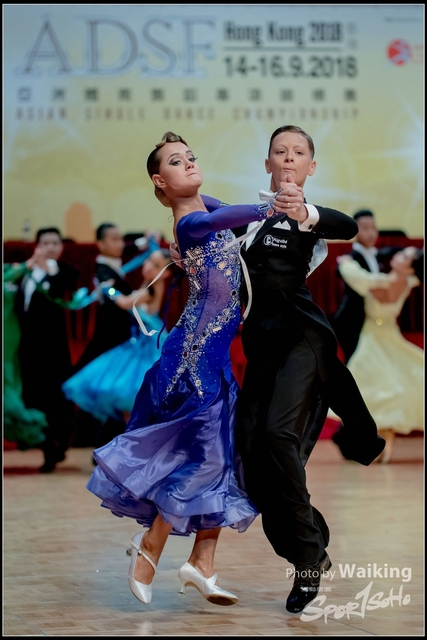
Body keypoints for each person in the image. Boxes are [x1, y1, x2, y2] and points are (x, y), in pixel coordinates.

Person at [86, 131, 291, 607]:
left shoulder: (205, 207)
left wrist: (272, 202)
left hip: (213, 358)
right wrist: (270, 207)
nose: (190, 163)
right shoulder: (192, 222)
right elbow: (221, 219)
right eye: (176, 162)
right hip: (193, 357)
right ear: (160, 181)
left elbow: (224, 211)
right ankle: (150, 546)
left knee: (222, 455)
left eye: (191, 156)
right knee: (204, 455)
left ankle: (202, 563)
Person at [187, 125, 385, 614]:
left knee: (279, 437)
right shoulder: (246, 223)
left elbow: (346, 226)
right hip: (262, 351)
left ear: (310, 167)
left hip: (303, 340)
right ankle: (310, 540)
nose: (289, 158)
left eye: (299, 153)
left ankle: (308, 558)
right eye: (281, 151)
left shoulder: (310, 221)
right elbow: (203, 219)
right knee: (252, 462)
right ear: (268, 163)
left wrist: (305, 212)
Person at [331, 246, 424, 463]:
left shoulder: (381, 281)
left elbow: (358, 278)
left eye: (404, 256)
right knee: (387, 385)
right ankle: (383, 436)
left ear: (410, 268)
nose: (397, 255)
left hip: (373, 338)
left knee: (373, 387)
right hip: (390, 337)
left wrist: (346, 263)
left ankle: (382, 437)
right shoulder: (410, 282)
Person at [62, 248, 171, 426]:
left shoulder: (150, 290)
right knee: (130, 402)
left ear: (165, 273)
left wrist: (109, 290)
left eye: (157, 265)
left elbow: (125, 303)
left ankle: (134, 439)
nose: (149, 266)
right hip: (138, 344)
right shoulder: (149, 286)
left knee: (132, 397)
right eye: (150, 260)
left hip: (145, 350)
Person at [14, 227, 80, 472]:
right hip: (27, 349)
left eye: (55, 243)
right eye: (45, 243)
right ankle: (46, 445)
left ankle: (56, 445)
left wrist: (48, 270)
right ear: (37, 246)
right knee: (34, 397)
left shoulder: (66, 272)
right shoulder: (24, 273)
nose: (50, 247)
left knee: (55, 399)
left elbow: (60, 289)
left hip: (54, 351)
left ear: (61, 247)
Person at [73, 223, 138, 449]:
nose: (120, 244)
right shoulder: (102, 271)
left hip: (120, 339)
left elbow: (131, 248)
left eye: (121, 239)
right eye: (114, 239)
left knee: (113, 392)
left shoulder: (113, 266)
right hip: (109, 339)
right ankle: (99, 442)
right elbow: (117, 298)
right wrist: (134, 295)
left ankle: (108, 443)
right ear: (100, 244)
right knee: (105, 389)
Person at [332, 209, 392, 363]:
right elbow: (338, 270)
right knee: (355, 363)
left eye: (373, 228)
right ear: (355, 231)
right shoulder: (350, 258)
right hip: (351, 320)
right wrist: (343, 265)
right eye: (365, 228)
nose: (371, 233)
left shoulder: (378, 254)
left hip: (370, 319)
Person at [3, 261, 48, 450]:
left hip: (11, 334)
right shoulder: (15, 271)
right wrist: (24, 266)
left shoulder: (11, 270)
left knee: (10, 380)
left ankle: (22, 424)